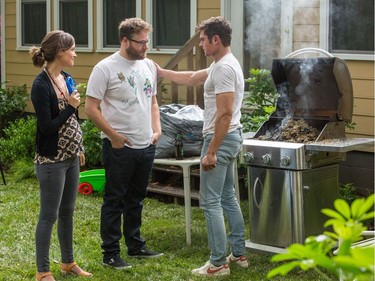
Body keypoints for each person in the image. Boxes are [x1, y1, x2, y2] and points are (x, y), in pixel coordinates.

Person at [155, 16, 248, 276]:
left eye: (204, 40)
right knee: (228, 197)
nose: (202, 46)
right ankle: (238, 253)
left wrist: (211, 151)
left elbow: (226, 112)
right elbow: (194, 76)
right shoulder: (222, 64)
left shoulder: (225, 69)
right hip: (230, 137)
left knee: (209, 202)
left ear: (216, 40)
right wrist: (162, 72)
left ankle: (218, 263)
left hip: (222, 137)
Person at [84, 17, 163, 270]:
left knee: (136, 199)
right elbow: (91, 108)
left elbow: (152, 101)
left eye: (147, 42)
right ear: (125, 40)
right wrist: (115, 136)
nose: (145, 47)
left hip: (146, 145)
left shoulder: (148, 65)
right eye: (140, 43)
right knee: (114, 200)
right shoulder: (105, 68)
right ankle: (110, 254)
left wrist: (157, 129)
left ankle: (136, 245)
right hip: (120, 147)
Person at [30, 30, 92, 281]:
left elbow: (73, 120)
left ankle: (68, 263)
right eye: (72, 49)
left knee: (67, 211)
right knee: (49, 215)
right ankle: (43, 271)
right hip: (51, 161)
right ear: (59, 52)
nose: (75, 53)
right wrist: (71, 107)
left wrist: (78, 148)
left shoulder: (65, 77)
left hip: (70, 157)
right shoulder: (41, 85)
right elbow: (47, 126)